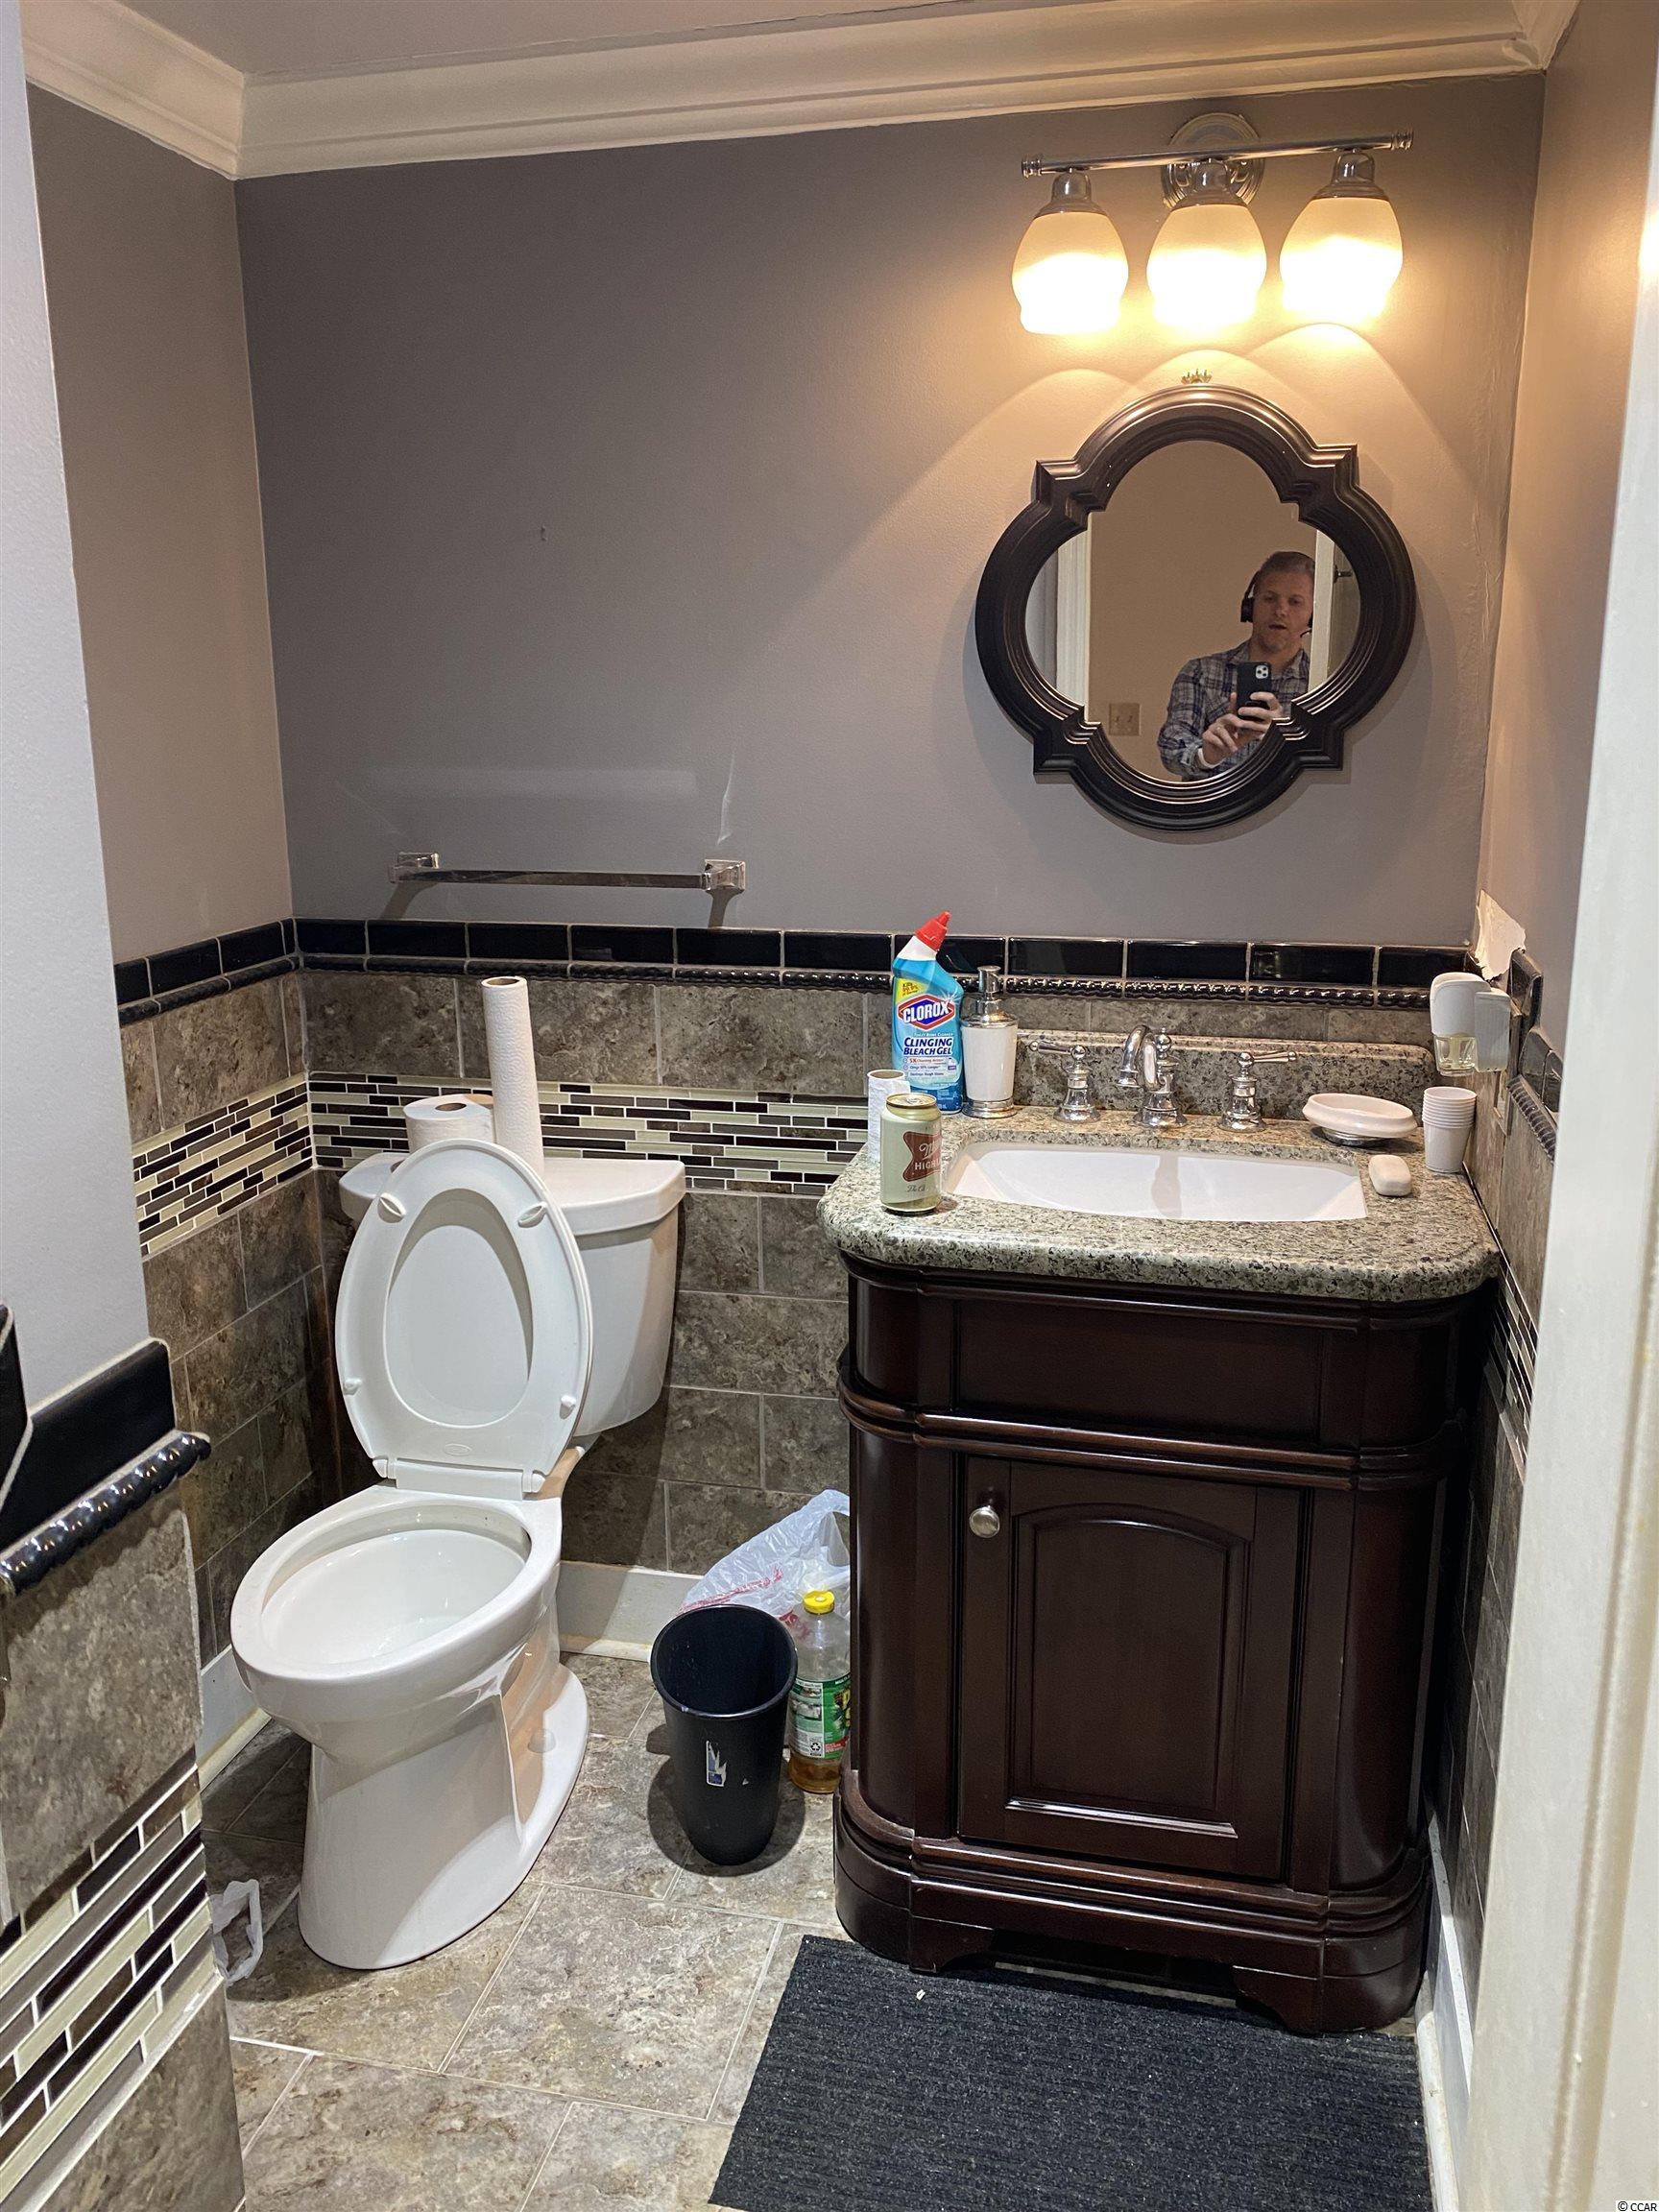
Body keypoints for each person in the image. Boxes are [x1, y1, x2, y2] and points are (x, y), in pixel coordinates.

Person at [1157, 551, 1314, 781]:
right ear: (1250, 607)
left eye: (1295, 602)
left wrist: (1284, 739)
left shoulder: (1321, 684)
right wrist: (1206, 755)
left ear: (1312, 614)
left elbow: (1329, 768)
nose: (1281, 610)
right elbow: (1170, 748)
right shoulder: (1200, 673)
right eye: (1269, 598)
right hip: (1215, 804)